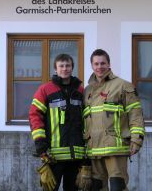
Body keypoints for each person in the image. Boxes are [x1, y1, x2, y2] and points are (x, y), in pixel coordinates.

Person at [83, 49, 145, 191]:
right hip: (94, 149)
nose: (100, 67)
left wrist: (136, 139)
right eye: (96, 64)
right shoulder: (87, 91)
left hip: (116, 147)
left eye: (103, 63)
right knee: (96, 187)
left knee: (118, 186)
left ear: (109, 64)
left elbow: (135, 114)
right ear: (92, 66)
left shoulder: (123, 86)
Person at [29, 54, 86, 191]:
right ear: (55, 69)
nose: (65, 69)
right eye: (61, 66)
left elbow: (87, 119)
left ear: (72, 68)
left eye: (68, 66)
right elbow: (34, 115)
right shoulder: (45, 89)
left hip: (76, 155)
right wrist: (40, 142)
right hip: (53, 155)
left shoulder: (81, 91)